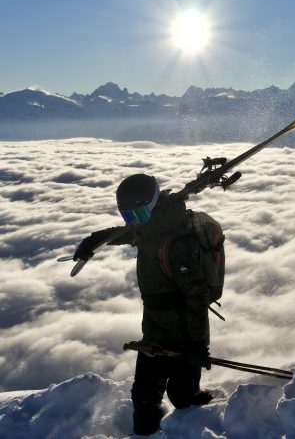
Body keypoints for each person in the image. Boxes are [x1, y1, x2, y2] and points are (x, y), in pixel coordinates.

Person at [74, 173, 224, 436]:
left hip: (183, 336)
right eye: (128, 216)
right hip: (154, 332)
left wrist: (198, 344)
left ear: (155, 205)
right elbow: (126, 233)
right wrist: (93, 241)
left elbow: (196, 296)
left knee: (183, 398)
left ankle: (196, 419)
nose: (134, 223)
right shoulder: (149, 228)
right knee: (143, 399)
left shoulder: (178, 243)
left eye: (139, 215)